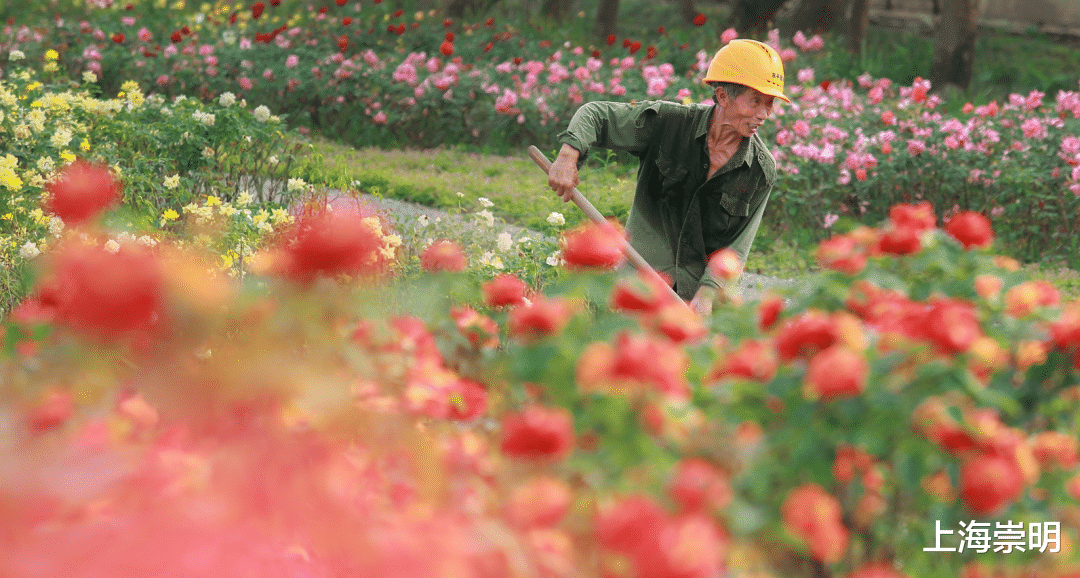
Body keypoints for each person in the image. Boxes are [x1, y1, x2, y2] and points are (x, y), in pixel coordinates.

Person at [547, 39, 789, 317]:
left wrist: (707, 293)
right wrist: (568, 155)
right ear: (723, 96)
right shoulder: (668, 124)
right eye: (755, 101)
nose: (763, 114)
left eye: (769, 104)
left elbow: (737, 247)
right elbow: (597, 115)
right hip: (640, 284)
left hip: (697, 303)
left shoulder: (759, 170)